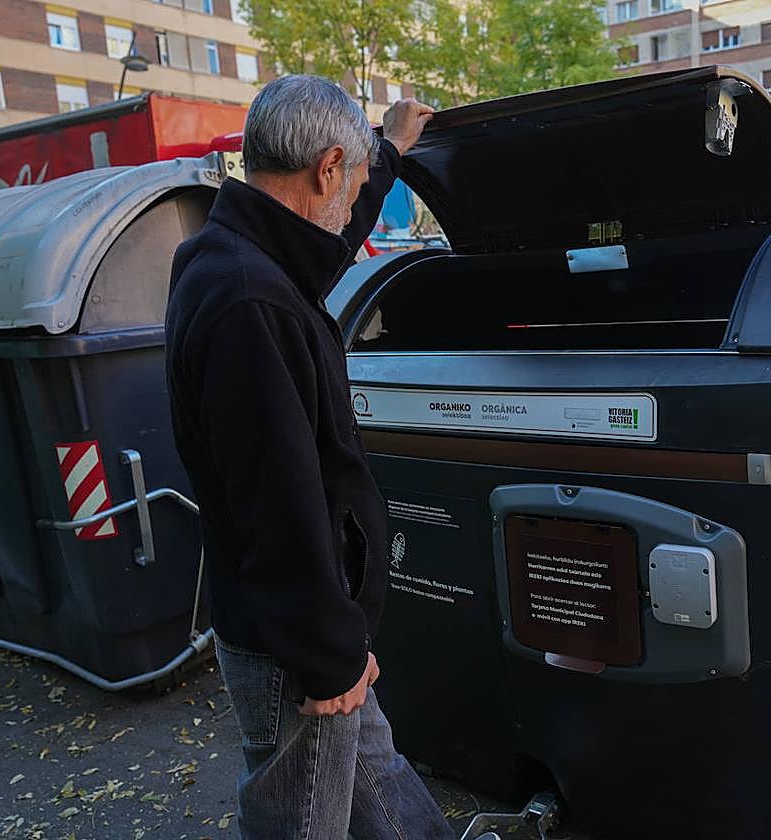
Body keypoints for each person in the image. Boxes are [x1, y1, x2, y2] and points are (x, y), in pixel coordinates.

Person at [165, 75, 468, 839]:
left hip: (312, 619)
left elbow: (324, 240)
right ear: (327, 168)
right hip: (294, 641)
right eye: (355, 180)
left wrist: (389, 153)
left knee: (376, 780)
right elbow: (278, 501)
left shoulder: (236, 253)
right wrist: (331, 656)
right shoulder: (251, 304)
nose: (356, 200)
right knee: (300, 820)